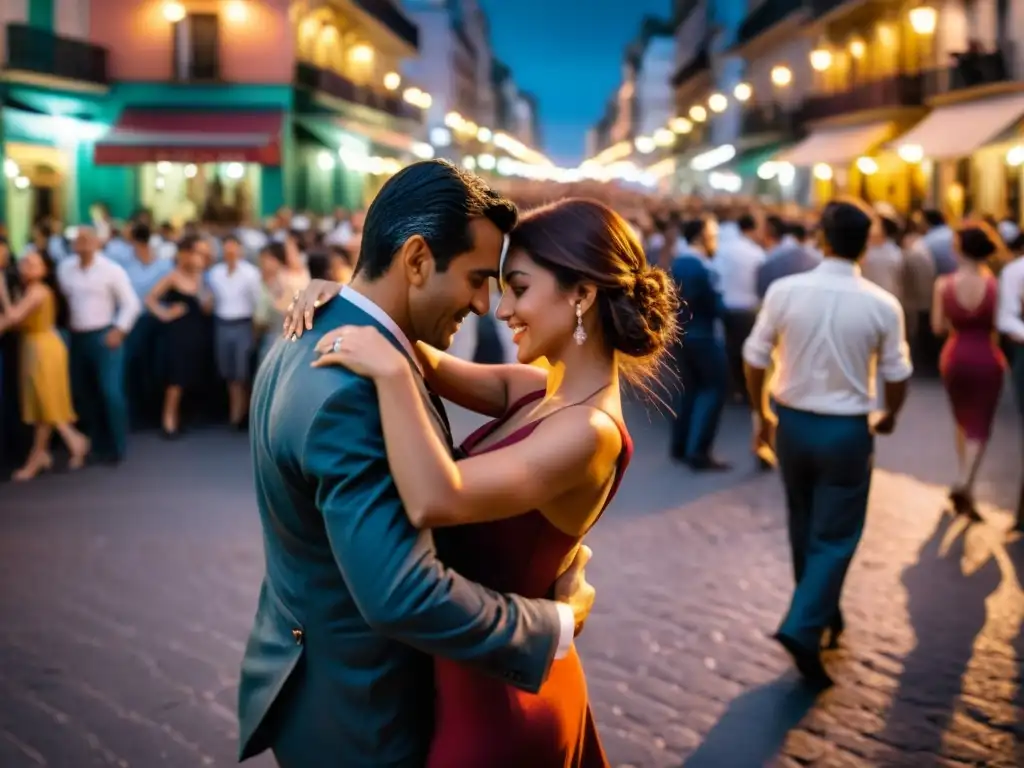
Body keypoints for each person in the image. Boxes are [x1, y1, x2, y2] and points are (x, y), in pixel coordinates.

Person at [238, 161, 603, 767]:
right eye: (479, 278)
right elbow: (403, 594)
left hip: (321, 689)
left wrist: (338, 295)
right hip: (368, 717)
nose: (487, 306)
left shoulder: (310, 336)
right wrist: (555, 626)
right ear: (415, 260)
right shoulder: (353, 392)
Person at [304, 196, 676, 767]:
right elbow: (416, 352)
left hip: (502, 699)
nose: (500, 310)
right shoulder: (535, 389)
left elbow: (437, 496)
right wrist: (341, 299)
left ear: (580, 295)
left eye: (519, 288)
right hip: (473, 668)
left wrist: (388, 375)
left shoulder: (590, 431)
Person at [743, 199, 913, 687]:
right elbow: (899, 374)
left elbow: (754, 357)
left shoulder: (785, 291)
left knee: (803, 521)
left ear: (822, 238)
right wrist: (891, 415)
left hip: (794, 423)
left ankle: (819, 612)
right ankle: (805, 622)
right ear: (867, 243)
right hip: (846, 429)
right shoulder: (882, 304)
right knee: (836, 534)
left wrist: (760, 412)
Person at [0, 249, 90, 479]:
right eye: (25, 262)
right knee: (43, 405)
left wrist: (2, 292)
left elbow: (13, 317)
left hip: (44, 350)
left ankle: (40, 455)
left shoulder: (38, 291)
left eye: (34, 263)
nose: (28, 266)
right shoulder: (30, 291)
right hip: (34, 348)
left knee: (46, 402)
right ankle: (71, 443)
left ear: (45, 270)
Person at [670, 216, 730, 469]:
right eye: (713, 234)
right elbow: (712, 306)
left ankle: (681, 446)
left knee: (691, 390)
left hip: (683, 336)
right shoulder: (698, 267)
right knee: (713, 389)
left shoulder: (680, 262)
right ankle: (698, 450)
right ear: (700, 237)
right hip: (703, 336)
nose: (715, 240)